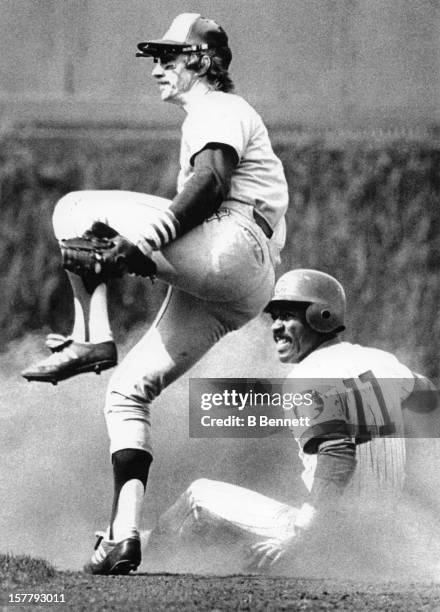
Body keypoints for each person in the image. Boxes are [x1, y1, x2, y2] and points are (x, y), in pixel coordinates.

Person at [21, 13, 288, 575]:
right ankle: (123, 536)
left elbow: (212, 179)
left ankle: (91, 336)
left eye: (168, 57)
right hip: (243, 283)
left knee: (74, 209)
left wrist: (144, 241)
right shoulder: (214, 113)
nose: (157, 68)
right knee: (127, 393)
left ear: (199, 60)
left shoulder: (220, 108)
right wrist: (138, 249)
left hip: (235, 242)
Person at [137, 269, 437, 574]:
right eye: (275, 317)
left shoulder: (308, 375)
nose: (276, 327)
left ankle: (135, 556)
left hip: (328, 540)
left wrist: (302, 535)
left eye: (287, 316)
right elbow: (430, 431)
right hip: (383, 541)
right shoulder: (386, 364)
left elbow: (337, 453)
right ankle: (143, 542)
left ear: (322, 316)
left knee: (198, 497)